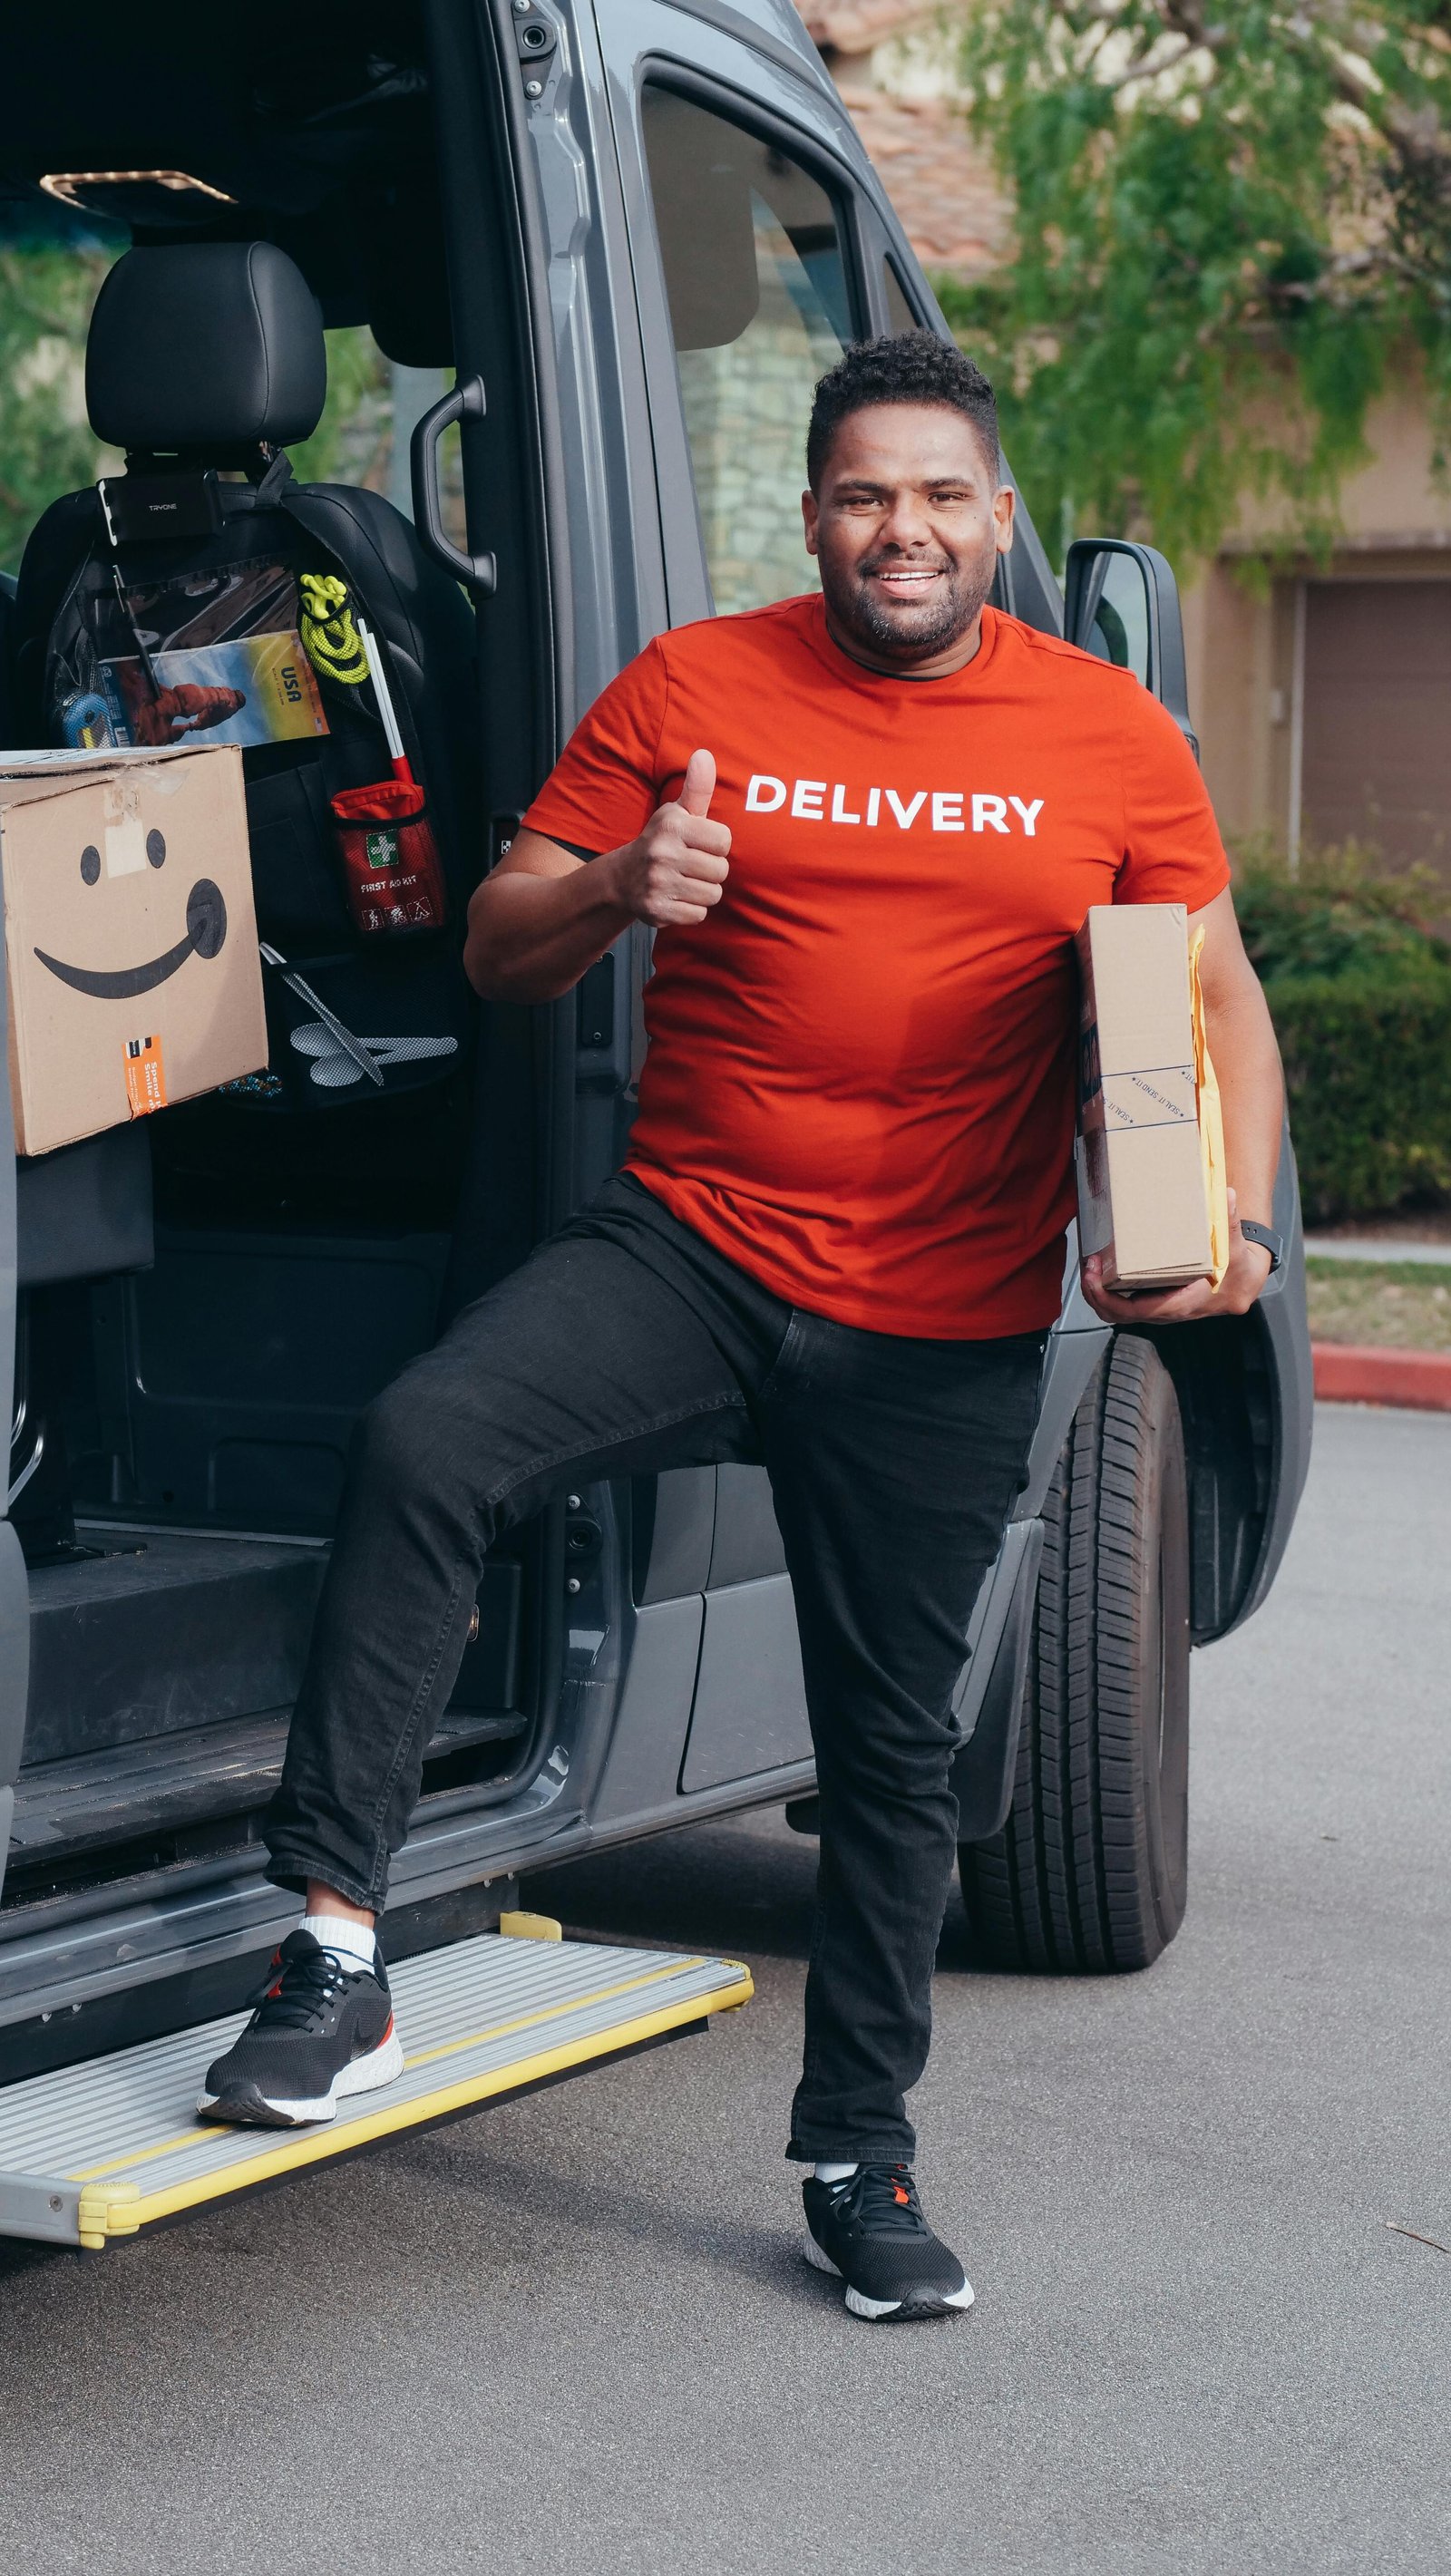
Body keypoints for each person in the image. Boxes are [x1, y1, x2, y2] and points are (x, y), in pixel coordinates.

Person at [198, 335, 1283, 2323]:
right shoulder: (694, 685)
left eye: (941, 495)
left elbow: (1205, 991)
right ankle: (338, 1952)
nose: (904, 529)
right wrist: (622, 879)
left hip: (948, 1306)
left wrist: (1223, 1222)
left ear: (997, 516)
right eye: (866, 494)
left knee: (888, 1752)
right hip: (694, 1243)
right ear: (809, 514)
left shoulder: (1107, 729)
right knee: (428, 1439)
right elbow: (496, 940)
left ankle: (856, 2155)